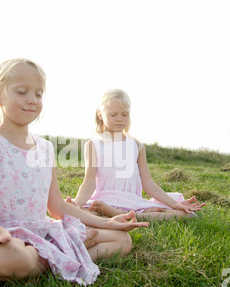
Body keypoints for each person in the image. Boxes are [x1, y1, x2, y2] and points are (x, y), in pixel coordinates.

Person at [0, 60, 149, 286]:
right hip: (7, 238)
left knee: (122, 239)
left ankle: (51, 257)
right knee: (5, 257)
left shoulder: (45, 148)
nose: (32, 100)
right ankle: (63, 255)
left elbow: (57, 207)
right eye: (22, 92)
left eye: (38, 94)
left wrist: (107, 224)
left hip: (42, 233)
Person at [67, 89, 205, 221]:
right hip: (105, 198)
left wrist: (175, 204)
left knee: (189, 215)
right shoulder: (94, 145)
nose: (120, 119)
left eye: (124, 114)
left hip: (132, 201)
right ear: (100, 114)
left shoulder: (136, 145)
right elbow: (89, 182)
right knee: (80, 213)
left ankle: (122, 215)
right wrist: (77, 204)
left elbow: (148, 183)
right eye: (113, 115)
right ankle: (120, 214)